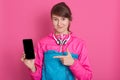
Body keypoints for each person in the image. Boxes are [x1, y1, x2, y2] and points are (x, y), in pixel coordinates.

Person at [21, 2, 92, 80]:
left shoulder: (79, 44)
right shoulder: (42, 43)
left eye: (63, 19)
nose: (59, 23)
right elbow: (37, 78)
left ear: (70, 20)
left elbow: (87, 77)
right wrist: (32, 68)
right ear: (51, 20)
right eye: (55, 19)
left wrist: (73, 63)